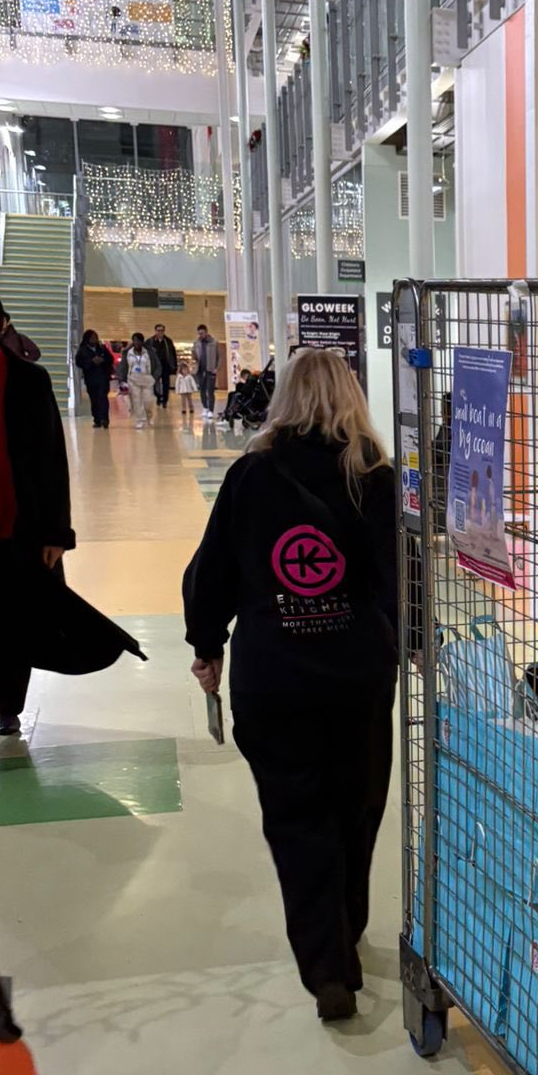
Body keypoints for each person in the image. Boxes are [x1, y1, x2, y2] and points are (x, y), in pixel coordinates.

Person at [183, 347, 399, 1022]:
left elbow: (210, 570)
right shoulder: (376, 477)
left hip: (273, 676)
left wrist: (206, 644)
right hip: (356, 676)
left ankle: (326, 966)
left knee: (295, 819)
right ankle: (349, 928)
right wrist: (408, 644)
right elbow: (400, 576)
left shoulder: (251, 476)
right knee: (356, 807)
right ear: (351, 398)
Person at [0, 287, 72, 753]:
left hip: (16, 528)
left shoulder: (29, 382)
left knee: (12, 623)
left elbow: (52, 460)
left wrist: (57, 532)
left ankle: (6, 706)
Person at [118, 332, 160, 428]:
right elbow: (123, 366)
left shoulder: (150, 352)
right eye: (134, 341)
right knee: (136, 401)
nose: (136, 343)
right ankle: (140, 420)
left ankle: (149, 417)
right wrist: (121, 379)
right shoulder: (128, 353)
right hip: (133, 379)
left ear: (142, 342)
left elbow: (157, 365)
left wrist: (155, 377)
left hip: (147, 379)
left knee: (148, 400)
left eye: (138, 341)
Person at [76, 328, 116, 429]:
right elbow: (79, 362)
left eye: (96, 338)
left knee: (103, 397)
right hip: (91, 379)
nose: (94, 340)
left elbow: (110, 359)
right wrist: (91, 362)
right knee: (94, 399)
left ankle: (105, 419)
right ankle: (97, 419)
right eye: (92, 338)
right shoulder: (82, 350)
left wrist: (102, 360)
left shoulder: (102, 348)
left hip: (103, 377)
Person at [147, 324, 179, 412]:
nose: (160, 332)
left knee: (166, 384)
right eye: (158, 330)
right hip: (155, 366)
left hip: (165, 365)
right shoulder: (150, 341)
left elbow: (173, 354)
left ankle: (164, 400)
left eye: (161, 330)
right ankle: (158, 396)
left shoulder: (168, 341)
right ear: (155, 331)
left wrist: (174, 367)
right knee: (154, 383)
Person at [192, 323, 220, 415]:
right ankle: (205, 407)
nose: (201, 335)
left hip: (210, 370)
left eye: (202, 333)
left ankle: (211, 410)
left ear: (206, 332)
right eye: (199, 333)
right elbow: (195, 356)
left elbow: (219, 357)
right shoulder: (197, 343)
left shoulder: (214, 343)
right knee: (202, 390)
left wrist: (217, 368)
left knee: (210, 390)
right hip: (200, 370)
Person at [174, 356, 199, 423]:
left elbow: (193, 382)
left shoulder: (189, 376)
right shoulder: (179, 377)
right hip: (182, 391)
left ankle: (191, 408)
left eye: (186, 370)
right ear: (181, 370)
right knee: (183, 401)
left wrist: (195, 388)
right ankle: (183, 409)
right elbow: (177, 384)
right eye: (183, 370)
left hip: (188, 390)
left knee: (190, 400)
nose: (185, 371)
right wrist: (177, 390)